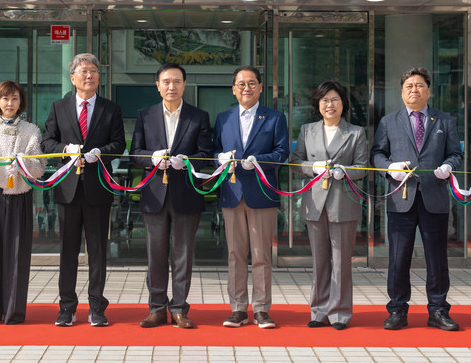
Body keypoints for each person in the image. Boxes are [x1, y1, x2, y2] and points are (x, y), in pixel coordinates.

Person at [370, 67, 463, 331]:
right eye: (409, 86)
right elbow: (377, 154)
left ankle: (438, 310)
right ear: (402, 93)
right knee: (399, 258)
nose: (414, 90)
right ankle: (397, 309)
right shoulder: (389, 121)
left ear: (429, 91)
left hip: (435, 197)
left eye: (420, 85)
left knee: (437, 259)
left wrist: (448, 166)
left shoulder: (444, 121)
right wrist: (389, 168)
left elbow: (456, 154)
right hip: (401, 199)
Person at [41, 53, 125, 327]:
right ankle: (66, 307)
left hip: (98, 187)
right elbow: (46, 142)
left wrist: (100, 153)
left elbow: (119, 144)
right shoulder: (59, 107)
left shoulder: (110, 109)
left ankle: (97, 307)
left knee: (98, 251)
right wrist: (66, 149)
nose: (89, 76)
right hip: (68, 189)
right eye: (84, 71)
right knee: (68, 251)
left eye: (94, 71)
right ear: (72, 77)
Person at [130, 62, 213, 329]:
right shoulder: (145, 115)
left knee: (183, 256)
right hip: (154, 195)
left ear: (184, 85)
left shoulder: (198, 117)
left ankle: (179, 309)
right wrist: (151, 158)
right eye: (166, 81)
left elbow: (206, 154)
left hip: (186, 194)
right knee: (155, 256)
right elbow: (135, 154)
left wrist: (186, 162)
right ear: (158, 85)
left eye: (177, 81)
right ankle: (156, 309)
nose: (171, 86)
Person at [214, 66, 289, 329]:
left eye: (252, 83)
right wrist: (219, 158)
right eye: (241, 84)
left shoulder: (275, 118)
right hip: (232, 192)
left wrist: (259, 161)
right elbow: (214, 151)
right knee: (235, 254)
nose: (246, 88)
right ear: (233, 89)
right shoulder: (223, 118)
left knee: (261, 255)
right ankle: (237, 309)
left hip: (262, 193)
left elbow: (282, 153)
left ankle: (261, 309)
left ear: (260, 87)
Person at [290, 81, 368, 330]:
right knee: (319, 261)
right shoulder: (307, 130)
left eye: (335, 99)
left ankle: (340, 313)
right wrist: (312, 167)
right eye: (325, 100)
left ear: (343, 103)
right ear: (318, 104)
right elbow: (295, 162)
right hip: (315, 203)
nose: (329, 105)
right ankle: (319, 310)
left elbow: (363, 167)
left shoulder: (356, 132)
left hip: (342, 203)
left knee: (342, 261)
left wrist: (345, 171)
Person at [0, 80, 46, 324]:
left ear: (21, 101)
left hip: (20, 195)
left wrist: (24, 163)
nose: (10, 103)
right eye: (5, 98)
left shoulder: (31, 130)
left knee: (17, 254)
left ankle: (13, 311)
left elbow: (39, 169)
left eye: (14, 98)